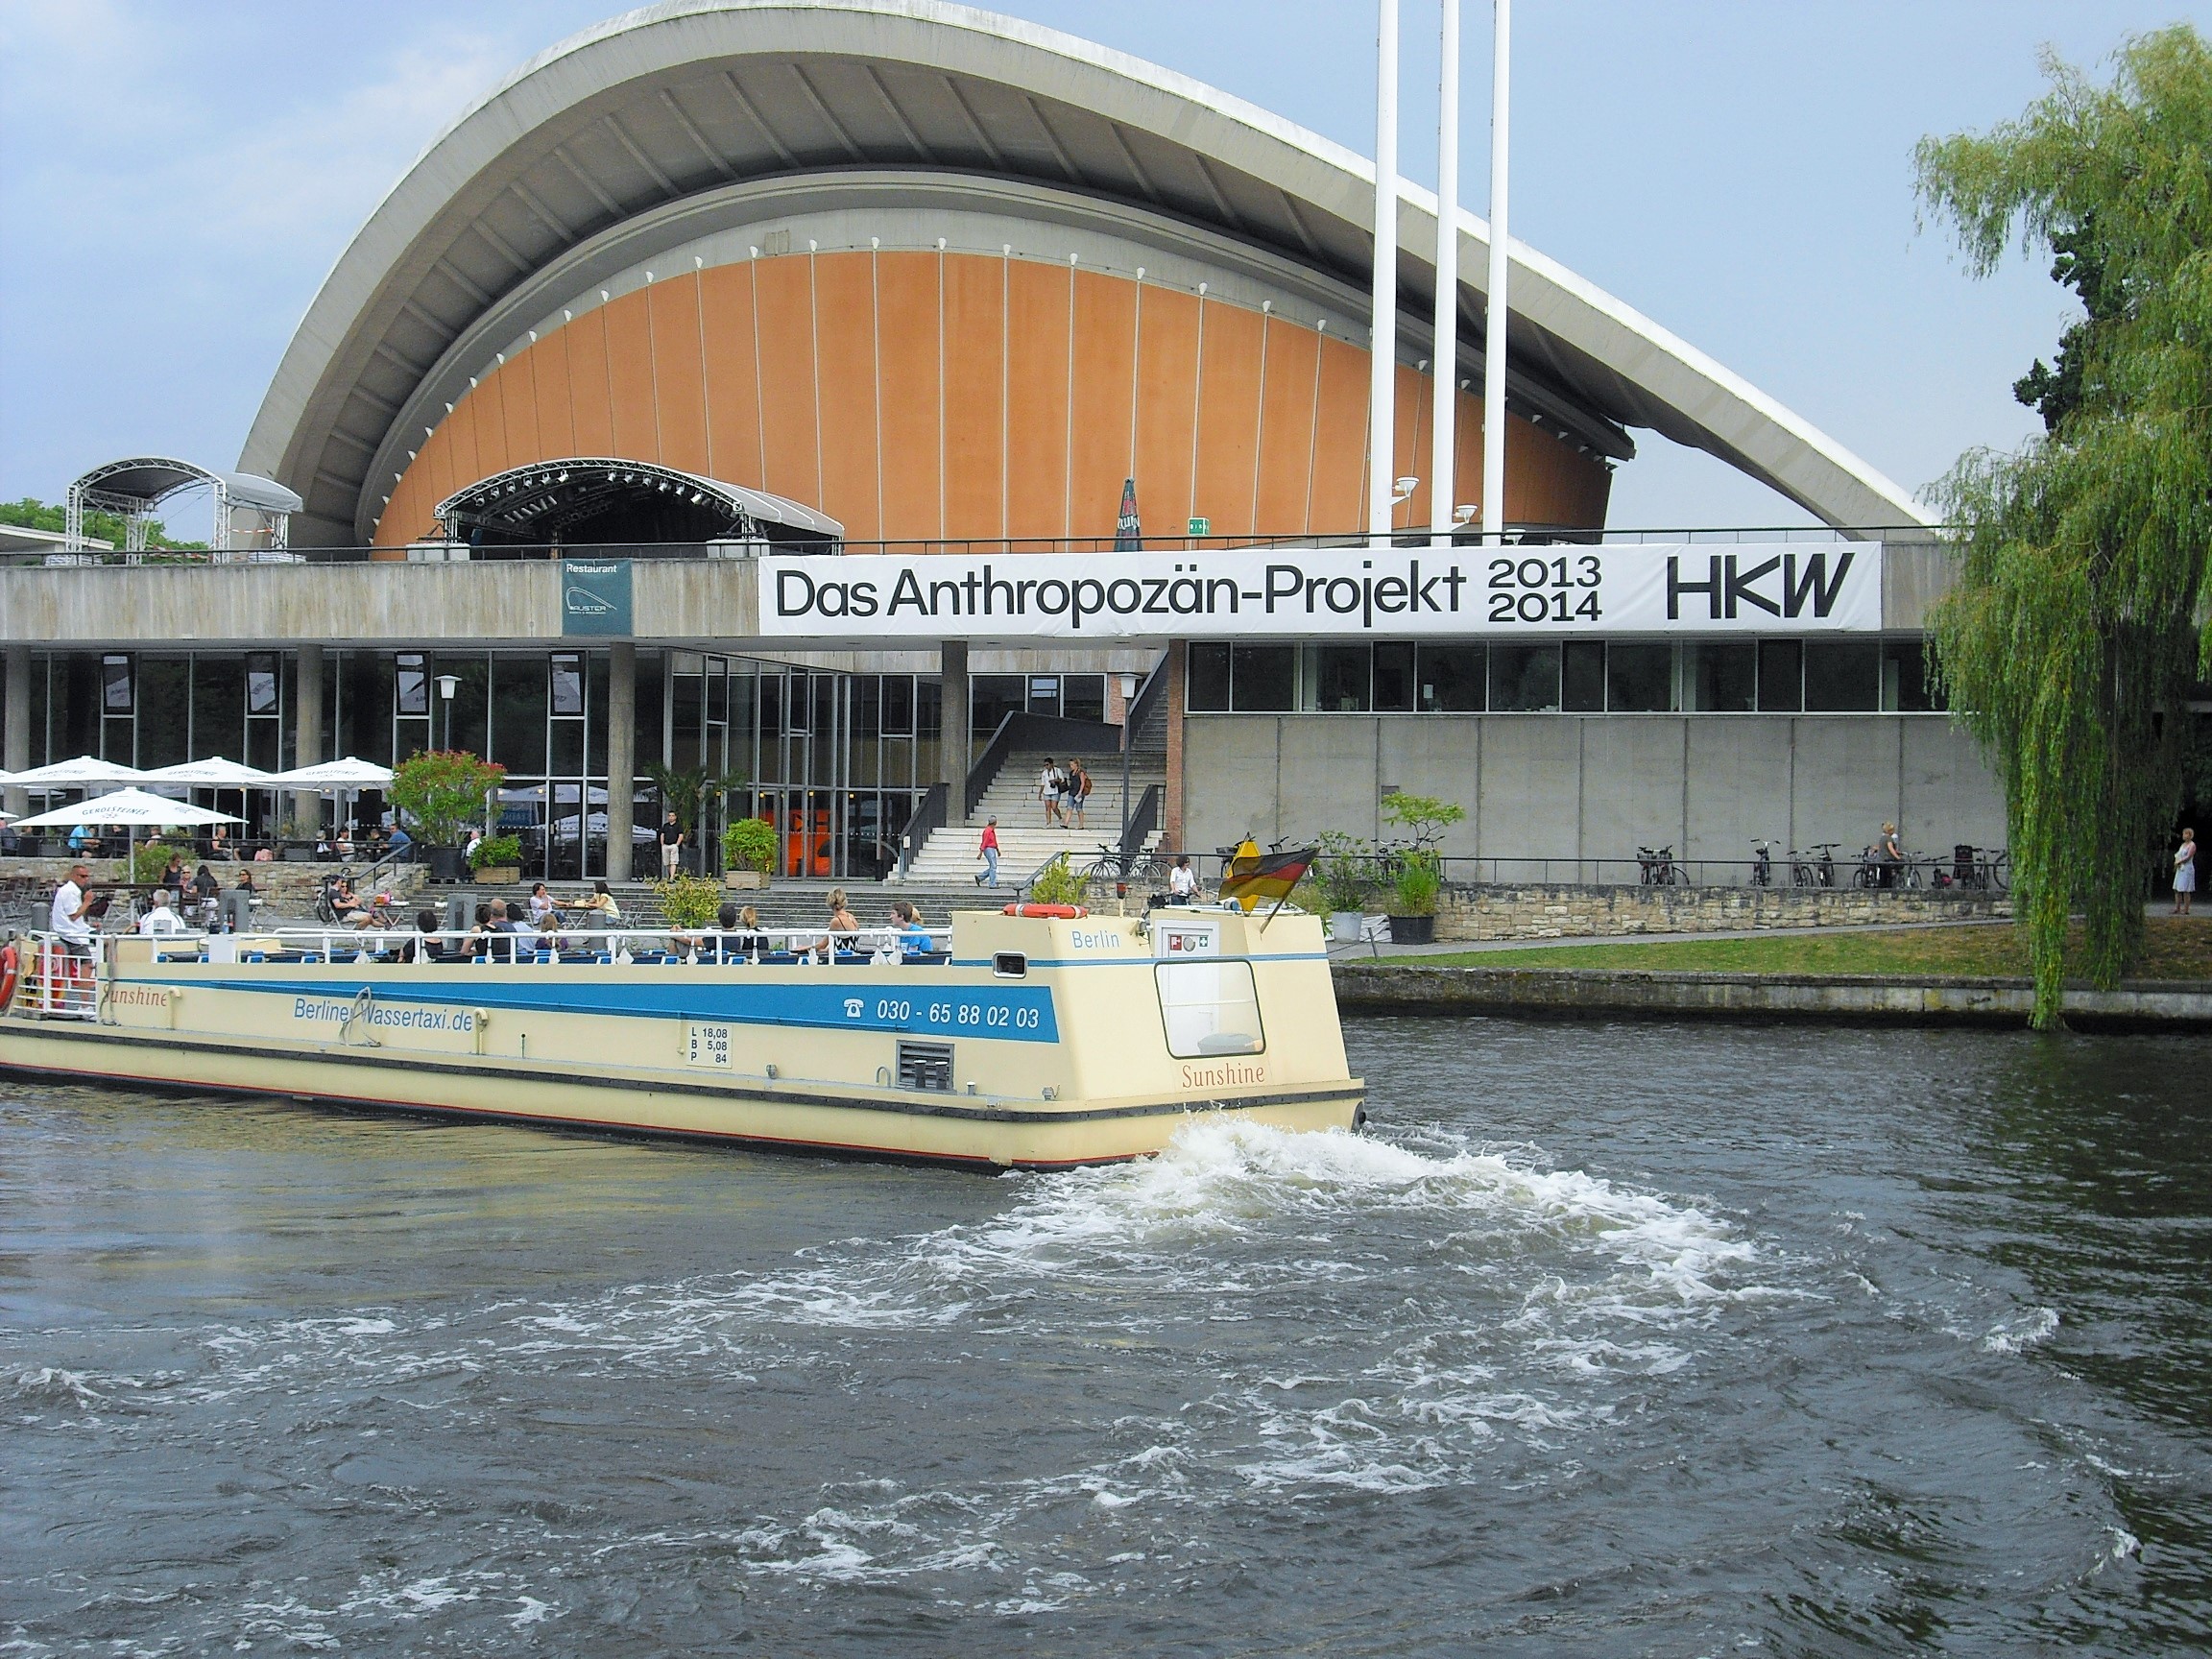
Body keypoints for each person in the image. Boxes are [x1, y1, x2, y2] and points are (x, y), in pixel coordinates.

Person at [50, 863, 96, 956]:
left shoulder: (73, 890)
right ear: (74, 876)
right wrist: (87, 902)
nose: (86, 879)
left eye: (87, 877)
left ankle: (104, 964)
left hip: (75, 930)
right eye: (83, 876)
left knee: (106, 939)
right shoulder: (70, 891)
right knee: (87, 963)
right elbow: (73, 916)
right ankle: (107, 966)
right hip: (71, 933)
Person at [816, 886, 860, 957]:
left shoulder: (836, 921)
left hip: (843, 959)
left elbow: (822, 945)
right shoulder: (850, 916)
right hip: (855, 956)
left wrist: (804, 949)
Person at [2176, 827, 2198, 917]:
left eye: (2185, 834)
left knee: (2186, 889)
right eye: (2183, 834)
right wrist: (2176, 861)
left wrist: (2180, 861)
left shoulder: (2192, 845)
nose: (2183, 835)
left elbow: (2188, 856)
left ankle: (2186, 909)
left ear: (2190, 835)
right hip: (2180, 868)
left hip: (2187, 868)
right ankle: (2177, 908)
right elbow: (2178, 854)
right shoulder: (2182, 845)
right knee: (2177, 889)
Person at [1037, 757, 1064, 827]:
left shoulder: (1058, 770)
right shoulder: (1044, 773)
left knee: (1054, 807)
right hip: (1046, 791)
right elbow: (1043, 783)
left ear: (1051, 764)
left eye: (1047, 765)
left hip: (1055, 791)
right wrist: (1040, 793)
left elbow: (1062, 780)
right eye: (1045, 765)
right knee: (1047, 807)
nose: (1046, 766)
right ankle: (1048, 823)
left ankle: (1060, 818)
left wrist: (1054, 780)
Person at [658, 810, 685, 878]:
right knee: (667, 863)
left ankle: (672, 877)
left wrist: (677, 844)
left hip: (673, 845)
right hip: (666, 845)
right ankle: (671, 876)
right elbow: (662, 835)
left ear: (675, 817)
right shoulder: (665, 826)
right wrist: (662, 844)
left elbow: (681, 835)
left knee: (673, 862)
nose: (671, 817)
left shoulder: (678, 826)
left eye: (672, 816)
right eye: (669, 816)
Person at [1876, 821, 1903, 890]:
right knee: (1888, 878)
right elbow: (1890, 848)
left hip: (1880, 860)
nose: (1893, 831)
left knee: (1883, 878)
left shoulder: (1882, 838)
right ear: (1889, 830)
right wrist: (1898, 857)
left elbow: (1883, 848)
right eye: (1892, 830)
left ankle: (1880, 892)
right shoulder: (1889, 838)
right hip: (1887, 860)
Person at [976, 815, 1000, 887]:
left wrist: (997, 850)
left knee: (993, 866)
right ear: (995, 822)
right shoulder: (988, 831)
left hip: (991, 848)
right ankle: (992, 884)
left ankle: (980, 877)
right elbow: (985, 842)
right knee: (993, 866)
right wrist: (980, 852)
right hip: (989, 849)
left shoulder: (990, 831)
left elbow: (994, 841)